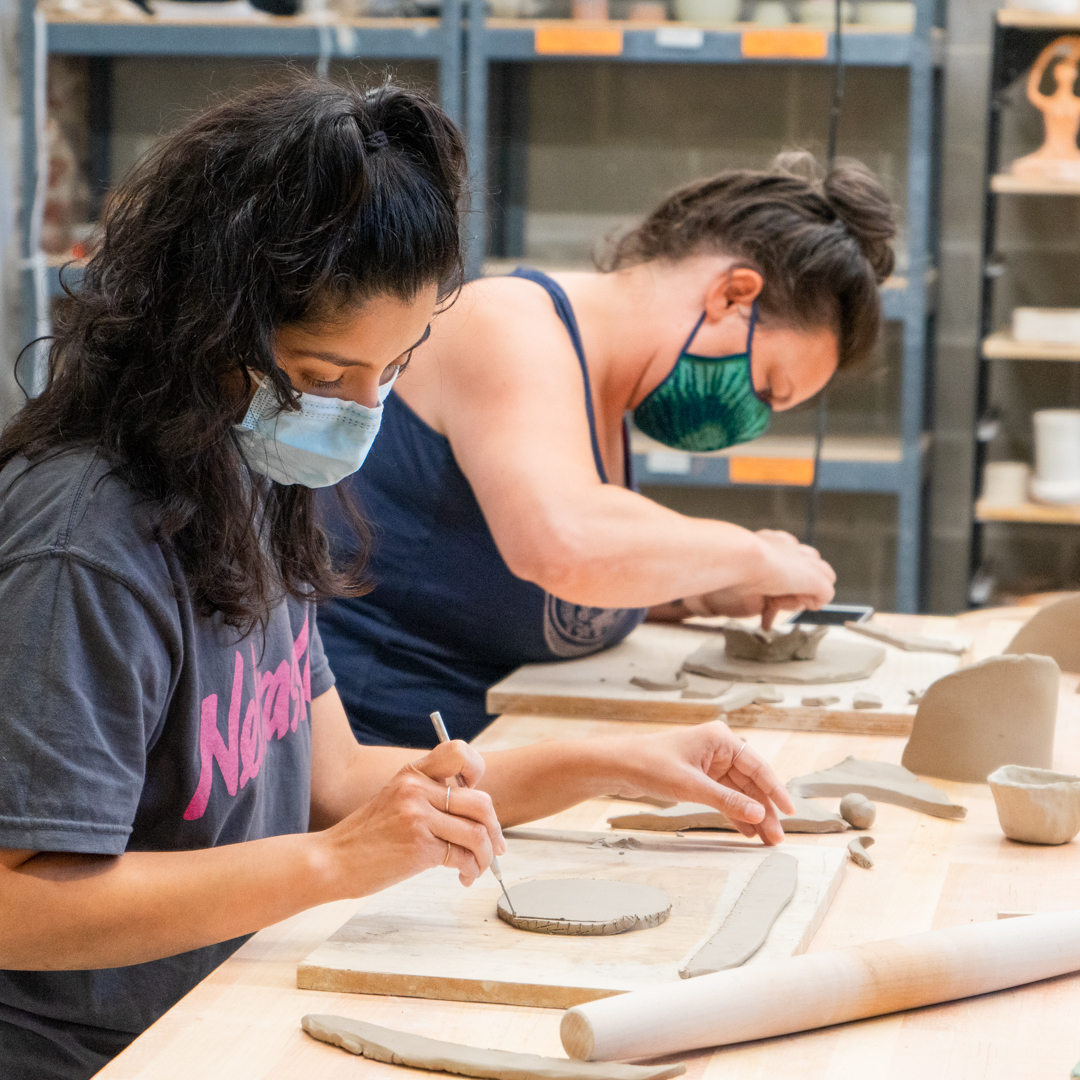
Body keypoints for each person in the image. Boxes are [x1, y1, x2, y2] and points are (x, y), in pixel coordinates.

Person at [0, 78, 794, 1080]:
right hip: (95, 1053)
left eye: (394, 368)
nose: (361, 413)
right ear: (206, 328)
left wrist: (614, 763)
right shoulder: (88, 542)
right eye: (326, 376)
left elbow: (335, 778)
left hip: (218, 1001)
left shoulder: (251, 464)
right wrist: (331, 866)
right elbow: (15, 904)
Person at [317, 154, 897, 748]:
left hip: (484, 765)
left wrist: (700, 589)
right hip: (377, 773)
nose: (752, 421)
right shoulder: (509, 326)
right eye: (767, 388)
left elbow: (544, 591)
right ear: (733, 295)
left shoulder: (605, 396)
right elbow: (565, 544)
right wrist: (753, 553)